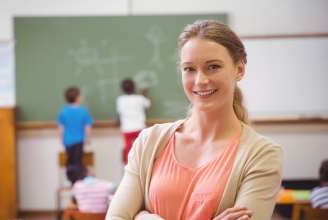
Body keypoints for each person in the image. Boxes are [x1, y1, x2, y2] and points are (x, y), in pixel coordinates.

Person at [107, 20, 283, 220]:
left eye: (213, 67)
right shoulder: (149, 141)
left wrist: (145, 218)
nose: (200, 80)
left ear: (239, 69)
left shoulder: (262, 155)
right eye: (189, 69)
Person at [57, 86, 93, 184]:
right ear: (77, 98)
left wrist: (61, 139)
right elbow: (87, 127)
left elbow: (61, 128)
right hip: (79, 141)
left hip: (67, 142)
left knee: (71, 161)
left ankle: (73, 181)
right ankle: (77, 182)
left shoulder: (63, 112)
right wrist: (88, 138)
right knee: (77, 162)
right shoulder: (83, 111)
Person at [116, 79, 151, 165]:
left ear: (122, 89)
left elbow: (119, 112)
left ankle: (129, 166)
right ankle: (142, 166)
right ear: (134, 87)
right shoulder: (140, 98)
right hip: (139, 127)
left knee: (128, 149)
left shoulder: (120, 99)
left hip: (127, 129)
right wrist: (144, 95)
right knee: (141, 149)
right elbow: (148, 104)